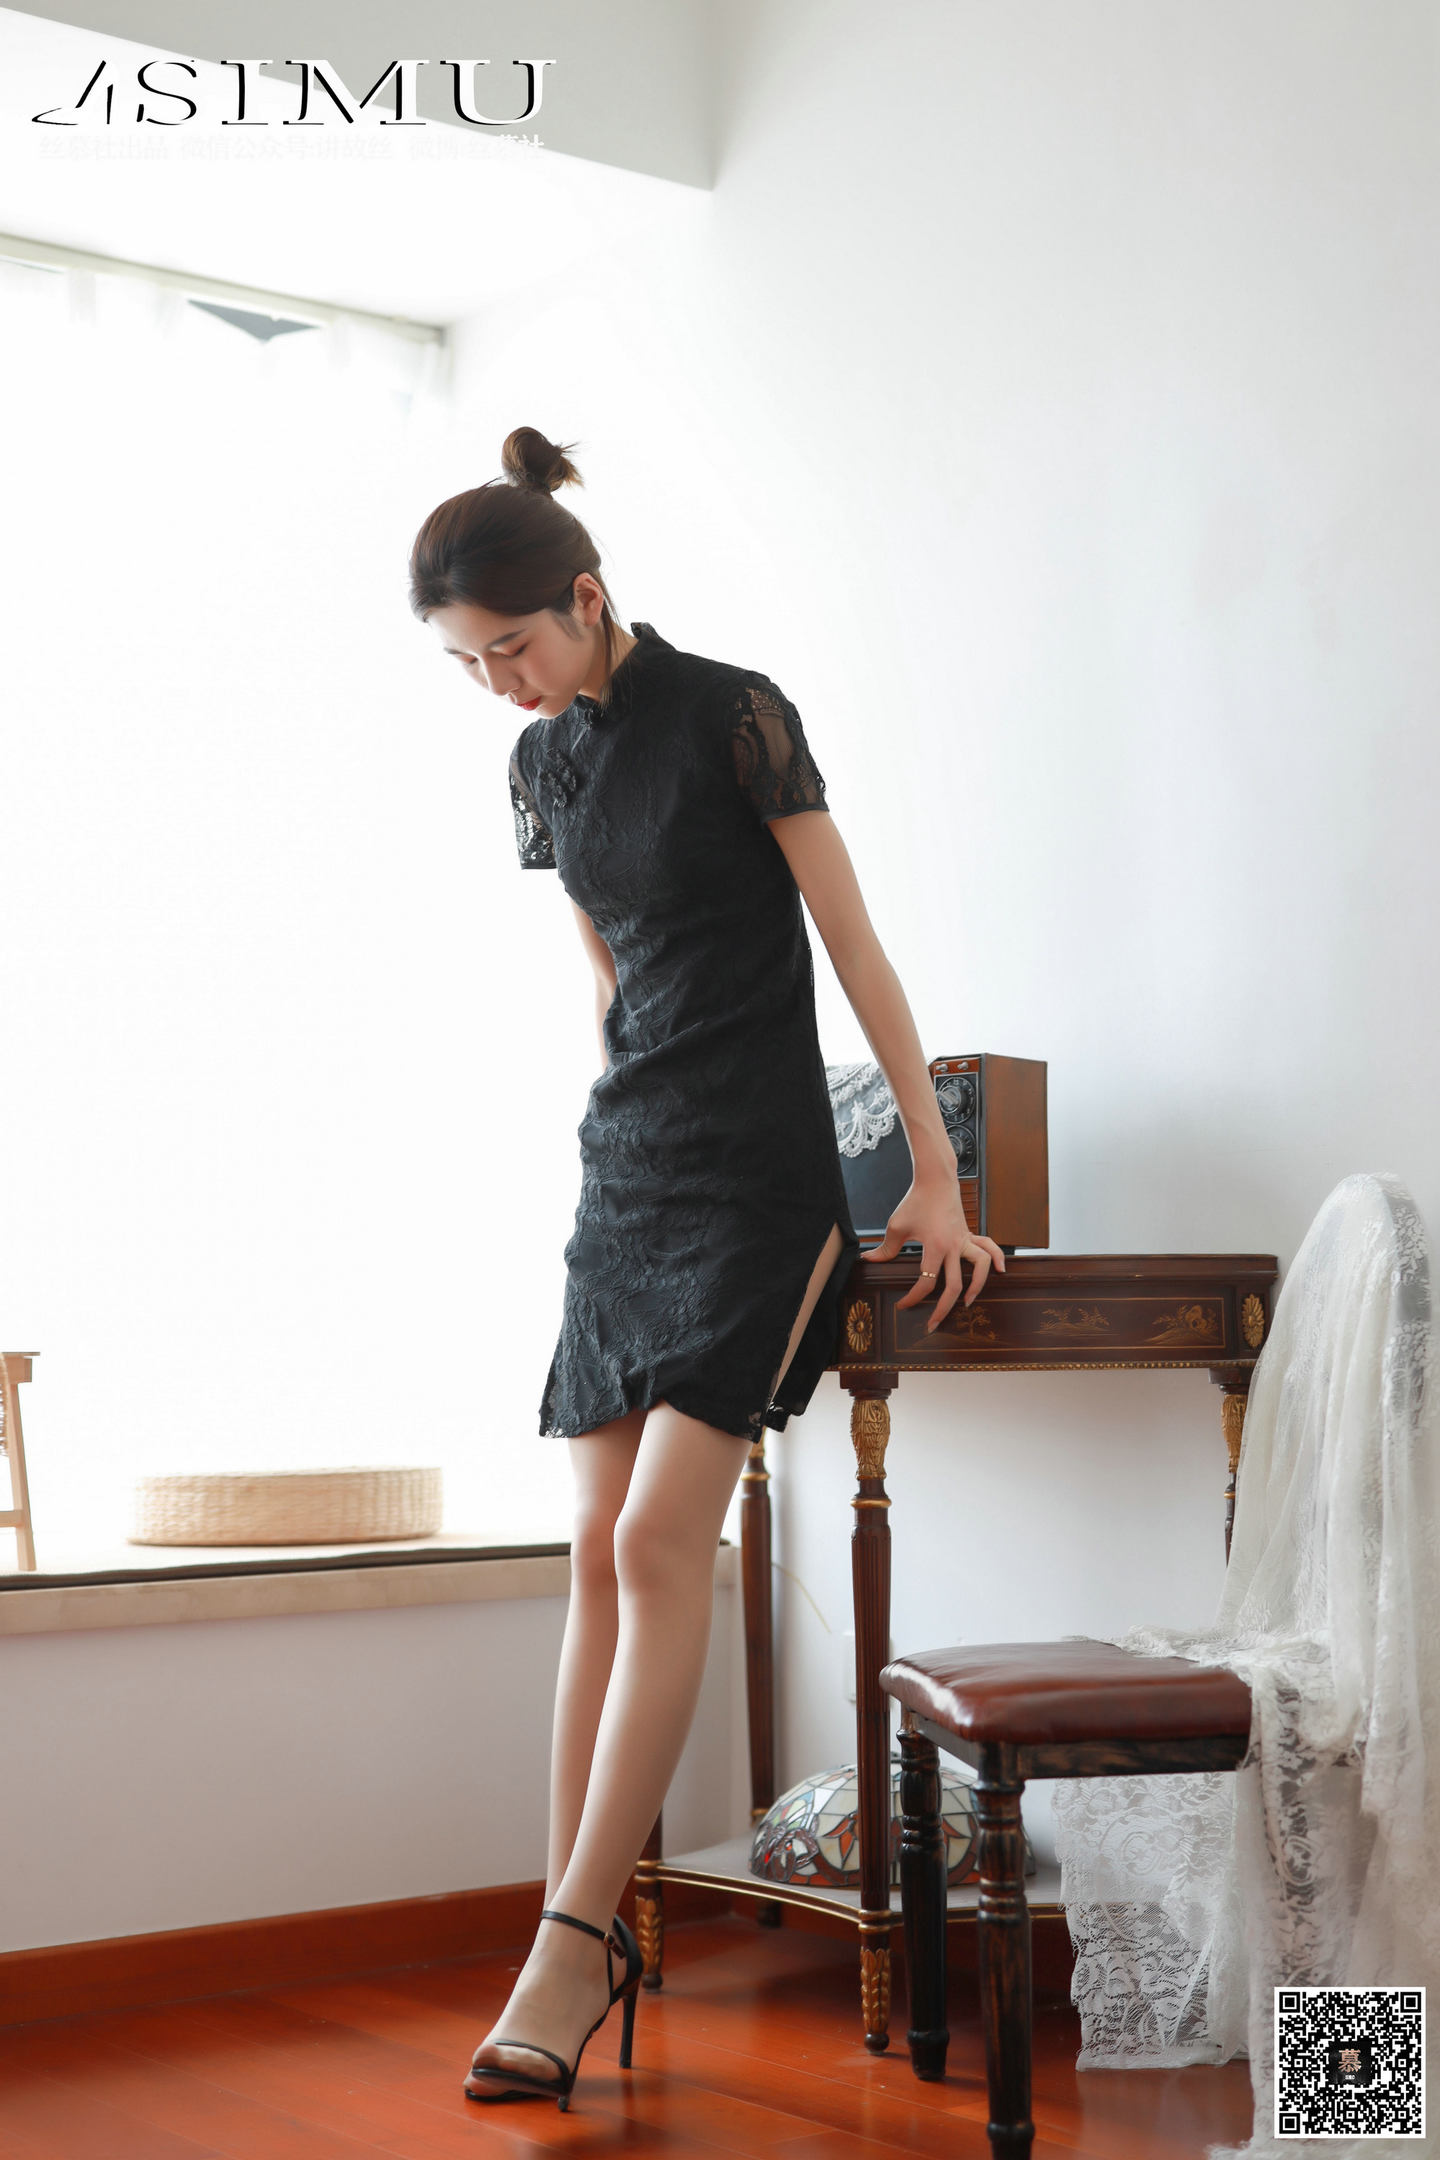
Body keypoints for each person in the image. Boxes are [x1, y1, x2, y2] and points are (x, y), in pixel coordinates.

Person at [408, 426, 1006, 2110]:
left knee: (663, 1538)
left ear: (587, 598)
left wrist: (938, 1173)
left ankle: (564, 1952)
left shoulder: (738, 715)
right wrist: (614, 1142)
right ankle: (579, 1929)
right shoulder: (539, 772)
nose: (499, 685)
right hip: (630, 1176)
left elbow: (853, 945)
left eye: (511, 648)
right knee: (594, 1556)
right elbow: (611, 984)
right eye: (468, 665)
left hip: (758, 1180)